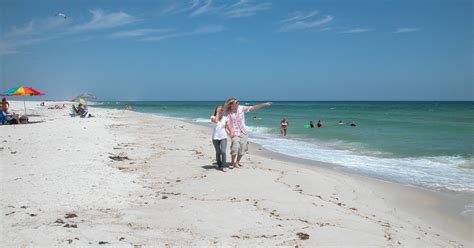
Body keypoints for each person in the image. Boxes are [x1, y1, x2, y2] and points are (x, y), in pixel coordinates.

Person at [225, 97, 272, 168]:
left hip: (243, 131)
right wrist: (230, 131)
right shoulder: (228, 112)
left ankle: (237, 162)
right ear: (232, 104)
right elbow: (227, 123)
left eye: (238, 102)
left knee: (242, 148)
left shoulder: (241, 108)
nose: (238, 103)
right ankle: (232, 162)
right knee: (235, 147)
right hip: (234, 132)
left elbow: (253, 107)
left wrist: (264, 104)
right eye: (236, 102)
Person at [211, 105, 230, 172]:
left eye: (221, 110)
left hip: (223, 137)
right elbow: (216, 121)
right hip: (215, 137)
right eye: (218, 110)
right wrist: (217, 113)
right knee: (218, 152)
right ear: (216, 110)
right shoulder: (212, 117)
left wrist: (230, 133)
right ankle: (219, 165)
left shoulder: (225, 118)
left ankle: (224, 166)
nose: (220, 111)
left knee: (223, 151)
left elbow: (226, 127)